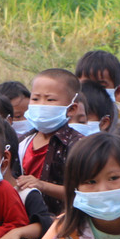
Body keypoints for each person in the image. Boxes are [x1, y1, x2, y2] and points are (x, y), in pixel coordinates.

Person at [16, 68, 82, 214]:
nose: (41, 105)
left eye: (50, 99)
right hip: (24, 221)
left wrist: (42, 185)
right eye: (35, 99)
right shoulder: (21, 142)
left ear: (71, 109)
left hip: (61, 225)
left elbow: (84, 192)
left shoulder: (78, 146)